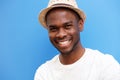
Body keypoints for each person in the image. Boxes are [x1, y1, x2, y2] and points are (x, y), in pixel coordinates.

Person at [34, 0, 120, 80]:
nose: (61, 34)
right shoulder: (44, 73)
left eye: (67, 26)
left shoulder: (105, 66)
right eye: (53, 29)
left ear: (80, 25)